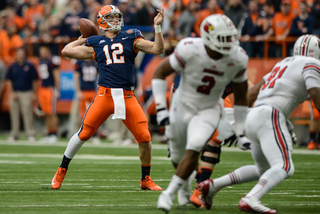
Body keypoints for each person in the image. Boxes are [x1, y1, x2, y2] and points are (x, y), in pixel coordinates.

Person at [198, 34, 320, 214]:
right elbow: (316, 96)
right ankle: (251, 198)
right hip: (270, 115)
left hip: (255, 116)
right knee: (285, 166)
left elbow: (253, 92)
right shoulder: (312, 64)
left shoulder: (283, 63)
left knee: (264, 169)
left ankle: (212, 186)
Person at [51, 5, 165, 191]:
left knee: (144, 137)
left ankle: (146, 178)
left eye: (116, 17)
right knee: (84, 134)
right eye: (111, 18)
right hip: (105, 95)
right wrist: (82, 39)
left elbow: (158, 49)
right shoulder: (95, 42)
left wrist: (157, 28)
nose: (115, 21)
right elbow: (66, 51)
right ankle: (62, 169)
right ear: (102, 22)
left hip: (127, 95)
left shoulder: (132, 36)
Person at [153, 14, 250, 213]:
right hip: (183, 104)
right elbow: (159, 73)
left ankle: (168, 194)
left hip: (209, 108)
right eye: (223, 39)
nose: (228, 44)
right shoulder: (190, 48)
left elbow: (241, 97)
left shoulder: (237, 57)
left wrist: (241, 131)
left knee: (195, 146)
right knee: (177, 156)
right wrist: (161, 108)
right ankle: (185, 185)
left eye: (230, 38)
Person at [6, 47, 38, 142]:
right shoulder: (12, 66)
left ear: (25, 54)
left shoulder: (30, 66)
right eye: (18, 53)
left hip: (27, 92)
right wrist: (12, 92)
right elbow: (8, 81)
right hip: (15, 93)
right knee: (14, 115)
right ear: (16, 55)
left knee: (28, 114)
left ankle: (30, 134)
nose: (20, 55)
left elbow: (35, 80)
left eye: (22, 53)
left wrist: (34, 93)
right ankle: (14, 134)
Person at [74, 59, 101, 145]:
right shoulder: (80, 63)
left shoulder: (96, 63)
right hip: (83, 91)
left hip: (93, 91)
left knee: (95, 115)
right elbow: (76, 77)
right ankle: (81, 134)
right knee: (82, 115)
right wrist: (78, 91)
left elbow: (100, 77)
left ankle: (95, 135)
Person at [38, 46, 60, 144]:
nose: (43, 54)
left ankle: (54, 133)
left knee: (52, 112)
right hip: (43, 88)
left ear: (48, 52)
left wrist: (57, 89)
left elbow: (56, 76)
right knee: (46, 112)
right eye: (41, 52)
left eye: (44, 52)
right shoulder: (41, 61)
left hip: (50, 88)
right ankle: (49, 133)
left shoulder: (52, 62)